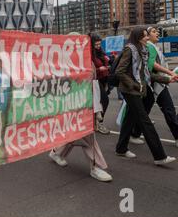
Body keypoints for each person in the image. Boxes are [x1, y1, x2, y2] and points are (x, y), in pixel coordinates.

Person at [49, 32, 112, 182]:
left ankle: (56, 152)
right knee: (88, 136)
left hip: (87, 105)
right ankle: (96, 167)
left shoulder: (87, 61)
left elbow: (94, 85)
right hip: (74, 107)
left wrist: (96, 109)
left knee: (76, 134)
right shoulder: (62, 64)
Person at [115, 28, 176, 165]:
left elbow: (147, 74)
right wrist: (135, 85)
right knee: (145, 121)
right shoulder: (130, 50)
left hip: (138, 90)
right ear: (138, 37)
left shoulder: (143, 51)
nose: (147, 38)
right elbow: (120, 72)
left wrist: (167, 79)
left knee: (129, 119)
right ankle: (160, 156)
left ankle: (121, 148)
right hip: (130, 91)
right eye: (145, 36)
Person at [130, 27, 178, 147]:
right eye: (153, 32)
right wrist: (170, 73)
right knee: (168, 110)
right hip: (155, 84)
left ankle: (134, 134)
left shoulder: (153, 46)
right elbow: (152, 65)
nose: (157, 33)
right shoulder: (150, 46)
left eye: (157, 31)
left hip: (155, 83)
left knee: (144, 110)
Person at [90, 34, 110, 134]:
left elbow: (105, 61)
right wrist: (98, 69)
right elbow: (89, 69)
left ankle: (95, 122)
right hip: (95, 80)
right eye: (96, 44)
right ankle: (99, 122)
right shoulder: (89, 54)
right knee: (105, 100)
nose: (98, 46)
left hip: (104, 79)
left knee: (99, 102)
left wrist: (109, 60)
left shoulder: (100, 52)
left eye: (99, 44)